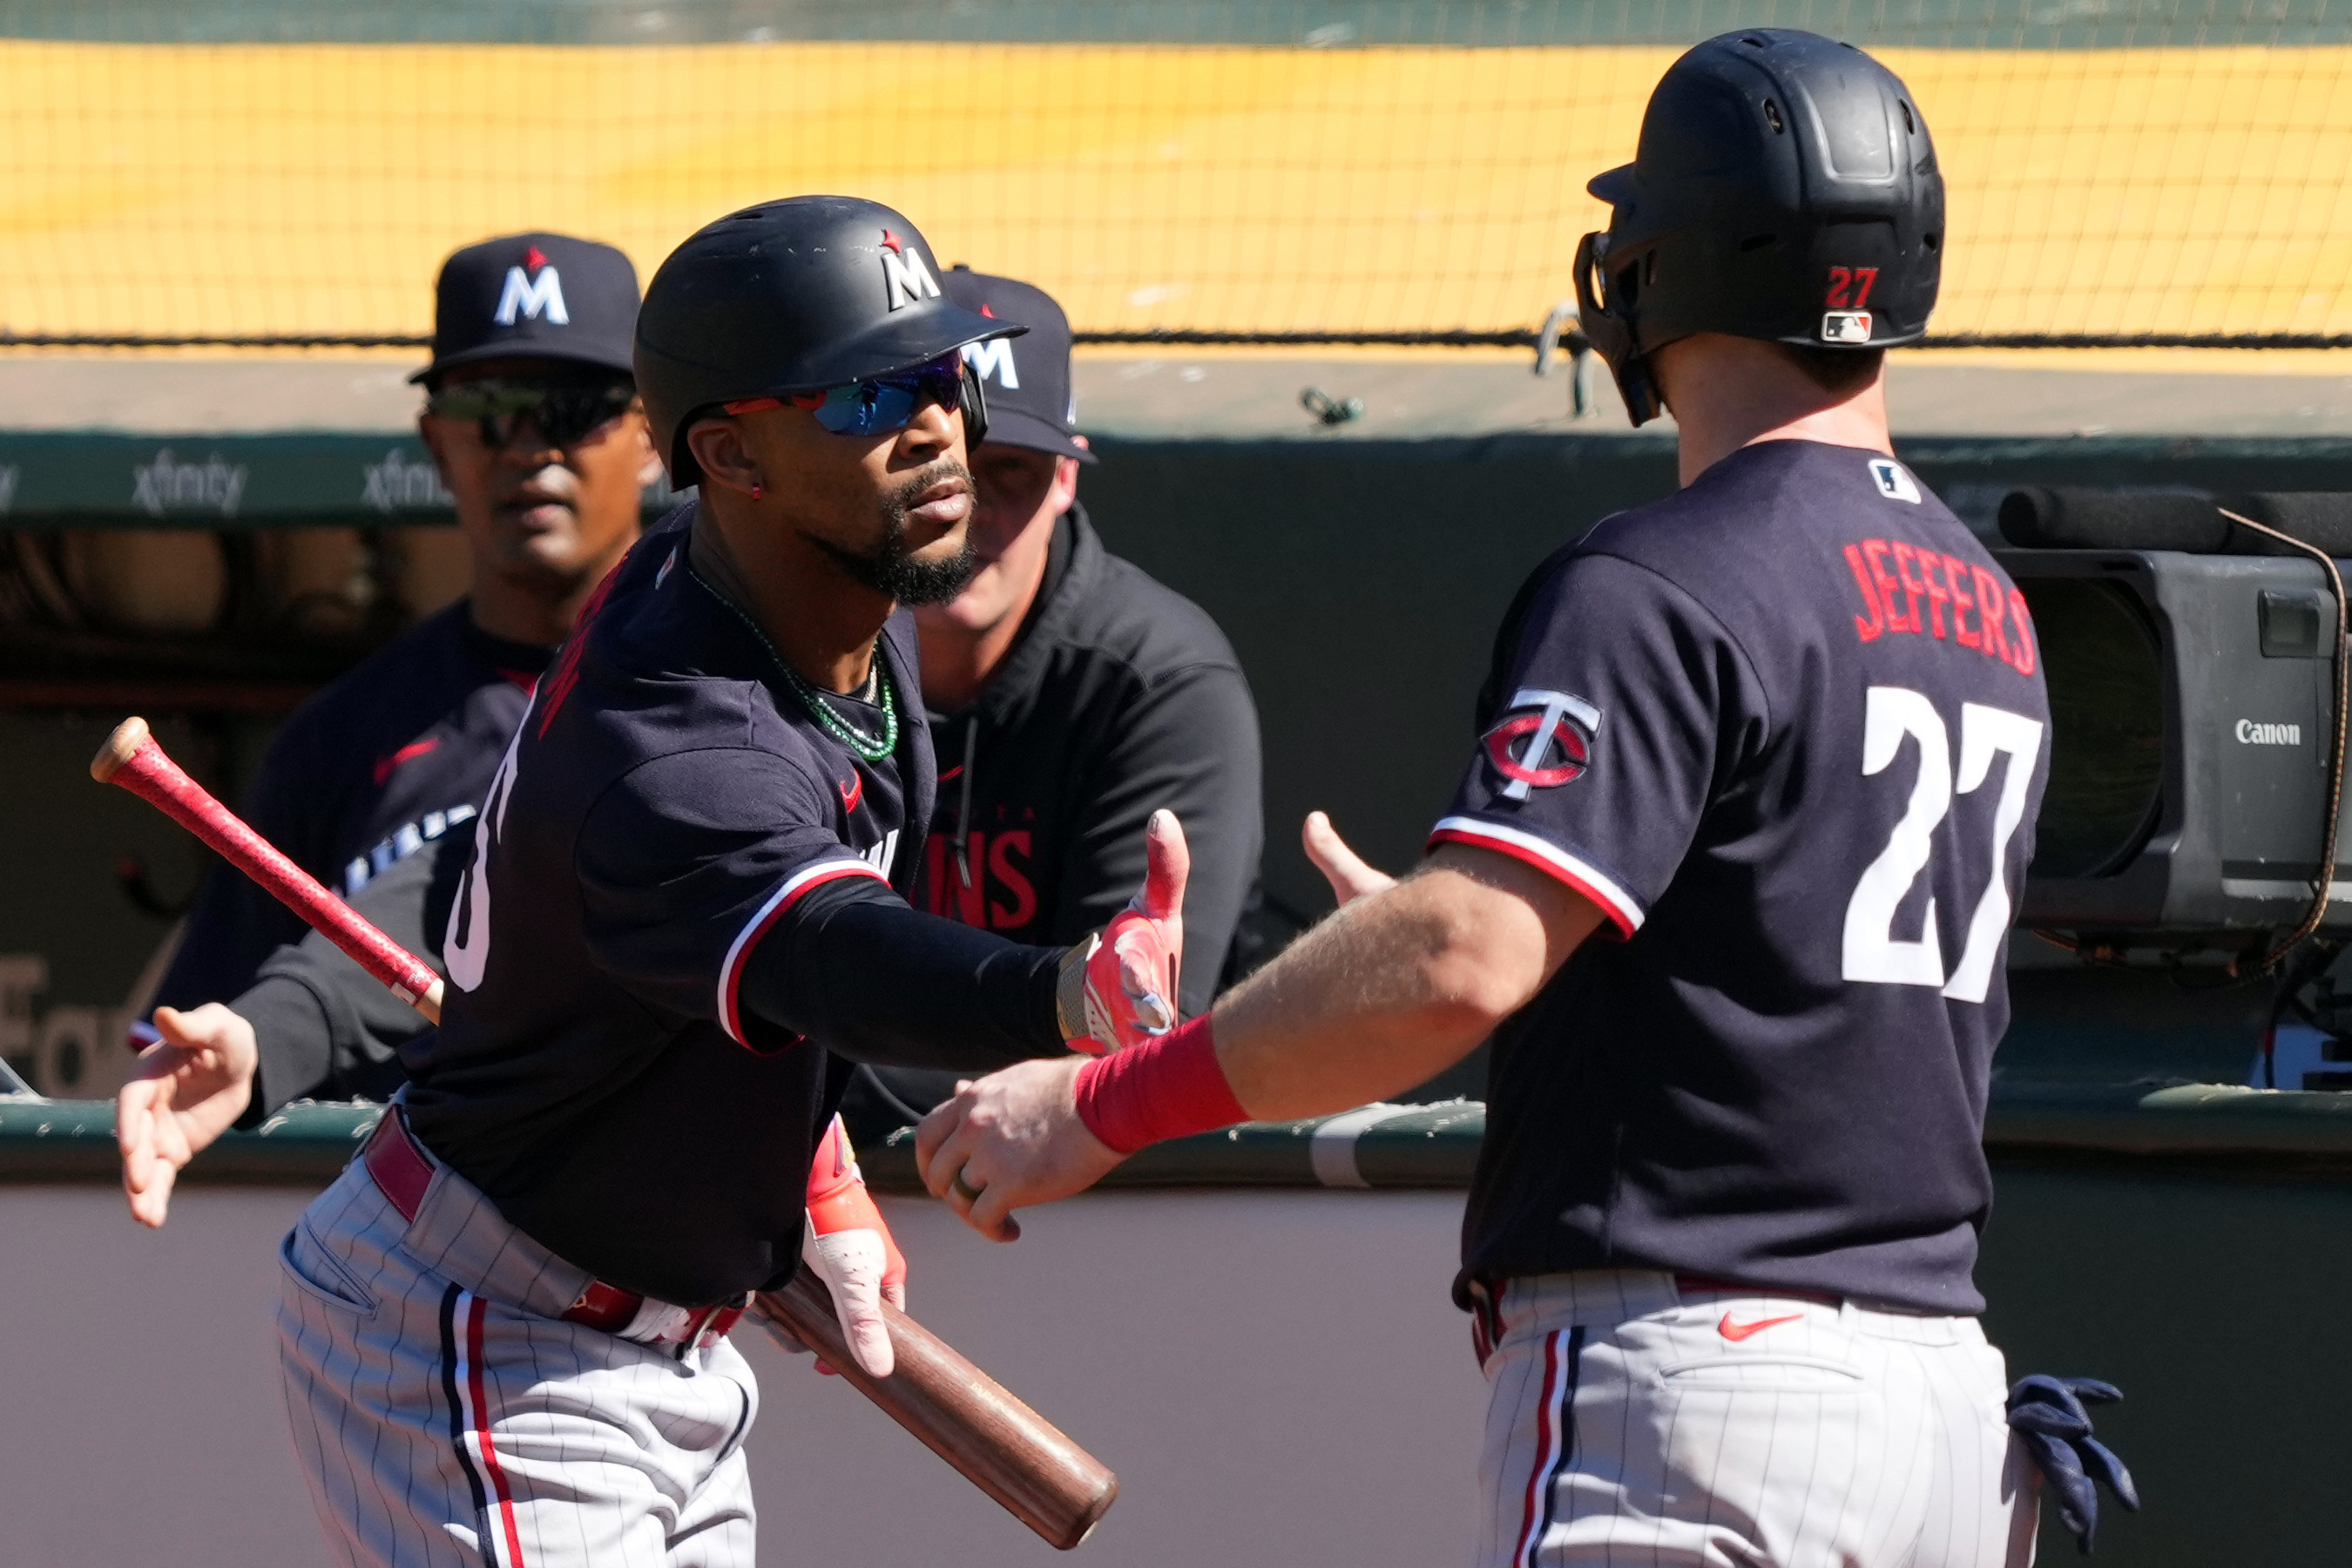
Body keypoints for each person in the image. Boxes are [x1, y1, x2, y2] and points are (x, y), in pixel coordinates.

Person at [918, 34, 2085, 1566]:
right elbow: (1753, 991)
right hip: (1943, 1405)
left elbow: (1457, 959)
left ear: (1658, 266)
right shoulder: (1990, 606)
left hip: (1708, 1390)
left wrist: (1103, 1101)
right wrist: (1469, 968)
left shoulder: (1661, 576)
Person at [255, 196, 1184, 1568]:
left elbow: (719, 1002)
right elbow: (834, 954)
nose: (935, 426)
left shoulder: (821, 609)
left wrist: (814, 1185)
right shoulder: (674, 746)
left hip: (662, 1345)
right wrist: (1060, 995)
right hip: (491, 1330)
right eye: (870, 393)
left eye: (942, 379)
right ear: (731, 453)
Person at [123, 233, 656, 1165]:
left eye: (573, 408)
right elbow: (203, 1038)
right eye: (489, 410)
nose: (529, 447)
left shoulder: (723, 696)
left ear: (652, 437)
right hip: (391, 1233)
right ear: (435, 445)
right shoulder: (338, 738)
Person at [844, 266, 1263, 1130]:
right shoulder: (806, 652)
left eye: (1011, 471)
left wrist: (800, 1077)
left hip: (1097, 1202)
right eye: (934, 462)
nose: (964, 507)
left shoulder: (1154, 684)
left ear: (1066, 481)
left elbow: (1120, 1053)